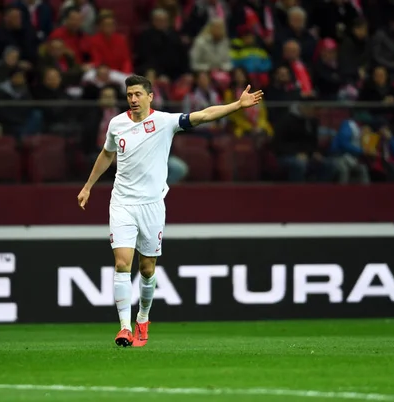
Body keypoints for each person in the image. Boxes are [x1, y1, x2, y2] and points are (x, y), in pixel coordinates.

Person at [76, 74, 263, 347]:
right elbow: (107, 154)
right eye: (129, 95)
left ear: (150, 97)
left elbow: (203, 115)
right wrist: (88, 186)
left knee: (148, 268)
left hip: (152, 204)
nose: (133, 99)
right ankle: (124, 328)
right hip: (122, 203)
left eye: (138, 94)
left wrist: (236, 105)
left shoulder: (164, 121)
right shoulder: (116, 124)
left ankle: (143, 318)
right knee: (122, 263)